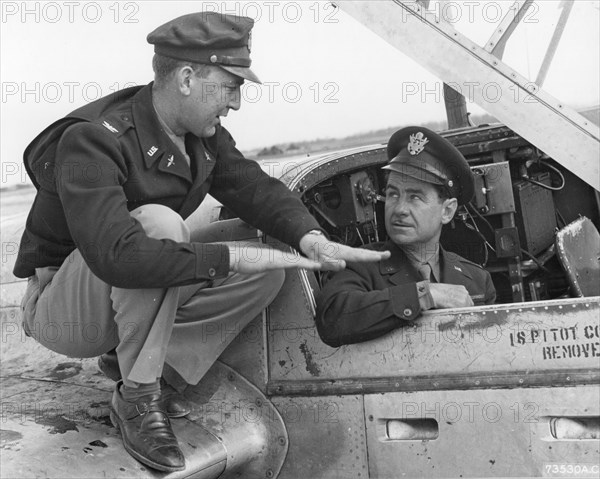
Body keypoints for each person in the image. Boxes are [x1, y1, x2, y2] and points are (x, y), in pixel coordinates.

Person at [14, 12, 389, 472]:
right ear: (188, 78)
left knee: (273, 254)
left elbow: (253, 188)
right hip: (64, 311)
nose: (235, 103)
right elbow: (119, 257)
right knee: (160, 226)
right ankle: (137, 399)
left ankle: (157, 371)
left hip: (123, 291)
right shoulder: (93, 139)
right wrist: (229, 257)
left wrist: (312, 239)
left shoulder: (200, 137)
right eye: (231, 86)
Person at [315, 126, 496, 348]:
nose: (399, 208)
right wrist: (424, 294)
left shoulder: (478, 281)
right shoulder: (359, 264)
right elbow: (332, 318)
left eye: (415, 197)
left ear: (447, 211)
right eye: (393, 194)